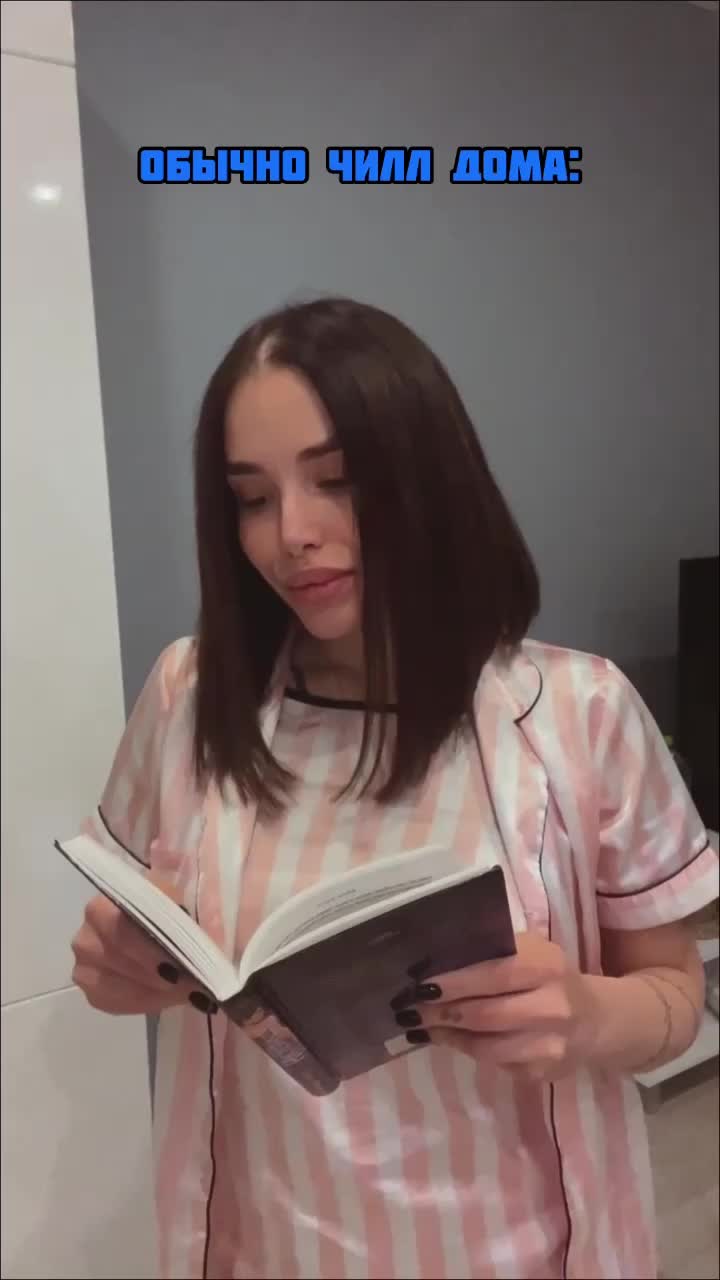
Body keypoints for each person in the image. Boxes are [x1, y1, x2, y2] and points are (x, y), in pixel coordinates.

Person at [70, 297, 719, 1280]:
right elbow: (126, 933)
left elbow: (676, 995)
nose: (291, 533)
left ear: (430, 477)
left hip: (516, 1250)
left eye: (336, 480)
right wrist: (112, 970)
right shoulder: (188, 695)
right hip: (261, 1246)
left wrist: (583, 1013)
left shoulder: (579, 710)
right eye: (251, 497)